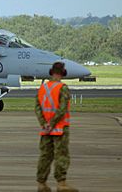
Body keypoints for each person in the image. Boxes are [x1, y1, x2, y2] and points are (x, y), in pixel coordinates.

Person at [35, 62, 79, 192]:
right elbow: (62, 108)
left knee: (45, 156)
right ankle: (61, 184)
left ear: (51, 72)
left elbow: (37, 108)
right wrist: (52, 124)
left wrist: (44, 124)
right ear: (62, 73)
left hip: (45, 129)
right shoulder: (62, 88)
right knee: (61, 155)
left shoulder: (43, 88)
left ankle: (41, 184)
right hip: (59, 129)